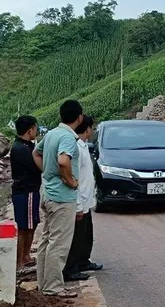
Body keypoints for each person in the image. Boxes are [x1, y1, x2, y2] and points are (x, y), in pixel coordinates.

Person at [33, 100, 83, 298]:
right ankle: (53, 287)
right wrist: (70, 180)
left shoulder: (52, 133)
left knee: (47, 240)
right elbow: (64, 160)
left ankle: (43, 283)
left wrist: (48, 173)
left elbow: (36, 153)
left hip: (47, 192)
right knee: (59, 243)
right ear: (79, 117)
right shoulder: (68, 137)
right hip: (62, 197)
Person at [63, 115, 103, 281]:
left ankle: (83, 260)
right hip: (80, 200)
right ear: (87, 129)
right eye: (91, 128)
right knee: (77, 237)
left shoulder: (85, 146)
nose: (92, 131)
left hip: (87, 199)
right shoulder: (76, 149)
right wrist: (78, 204)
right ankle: (71, 268)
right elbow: (74, 176)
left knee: (86, 234)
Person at [10, 115, 42, 274]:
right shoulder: (21, 149)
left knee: (32, 224)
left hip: (29, 191)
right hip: (26, 191)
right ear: (30, 130)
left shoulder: (25, 146)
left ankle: (26, 256)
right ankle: (20, 260)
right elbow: (37, 167)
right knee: (24, 227)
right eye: (35, 129)